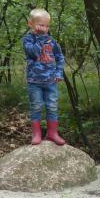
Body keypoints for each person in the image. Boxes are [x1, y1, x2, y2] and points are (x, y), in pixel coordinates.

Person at [22, 8, 66, 146]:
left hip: (50, 81)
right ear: (31, 24)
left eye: (47, 26)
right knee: (36, 106)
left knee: (52, 106)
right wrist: (40, 38)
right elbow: (33, 52)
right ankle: (36, 134)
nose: (44, 28)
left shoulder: (52, 42)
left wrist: (58, 73)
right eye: (41, 25)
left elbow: (59, 57)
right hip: (34, 81)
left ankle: (53, 133)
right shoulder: (28, 39)